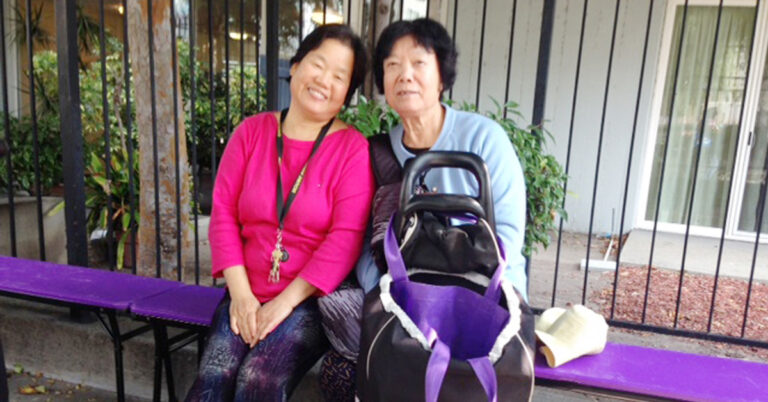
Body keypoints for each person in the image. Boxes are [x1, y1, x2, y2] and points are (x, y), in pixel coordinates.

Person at [317, 18, 527, 401]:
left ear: (442, 77)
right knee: (341, 370)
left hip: (480, 299)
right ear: (382, 81)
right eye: (392, 65)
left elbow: (509, 236)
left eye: (418, 63)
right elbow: (365, 244)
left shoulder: (484, 140)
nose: (404, 75)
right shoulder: (377, 152)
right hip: (405, 300)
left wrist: (445, 291)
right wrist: (393, 294)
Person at [185, 24, 373, 402]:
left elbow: (345, 239)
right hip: (245, 291)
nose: (324, 81)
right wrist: (240, 296)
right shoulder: (251, 133)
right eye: (318, 65)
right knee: (213, 377)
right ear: (297, 65)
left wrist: (282, 304)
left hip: (307, 301)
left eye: (339, 76)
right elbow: (222, 214)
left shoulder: (352, 150)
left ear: (346, 94)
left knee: (260, 379)